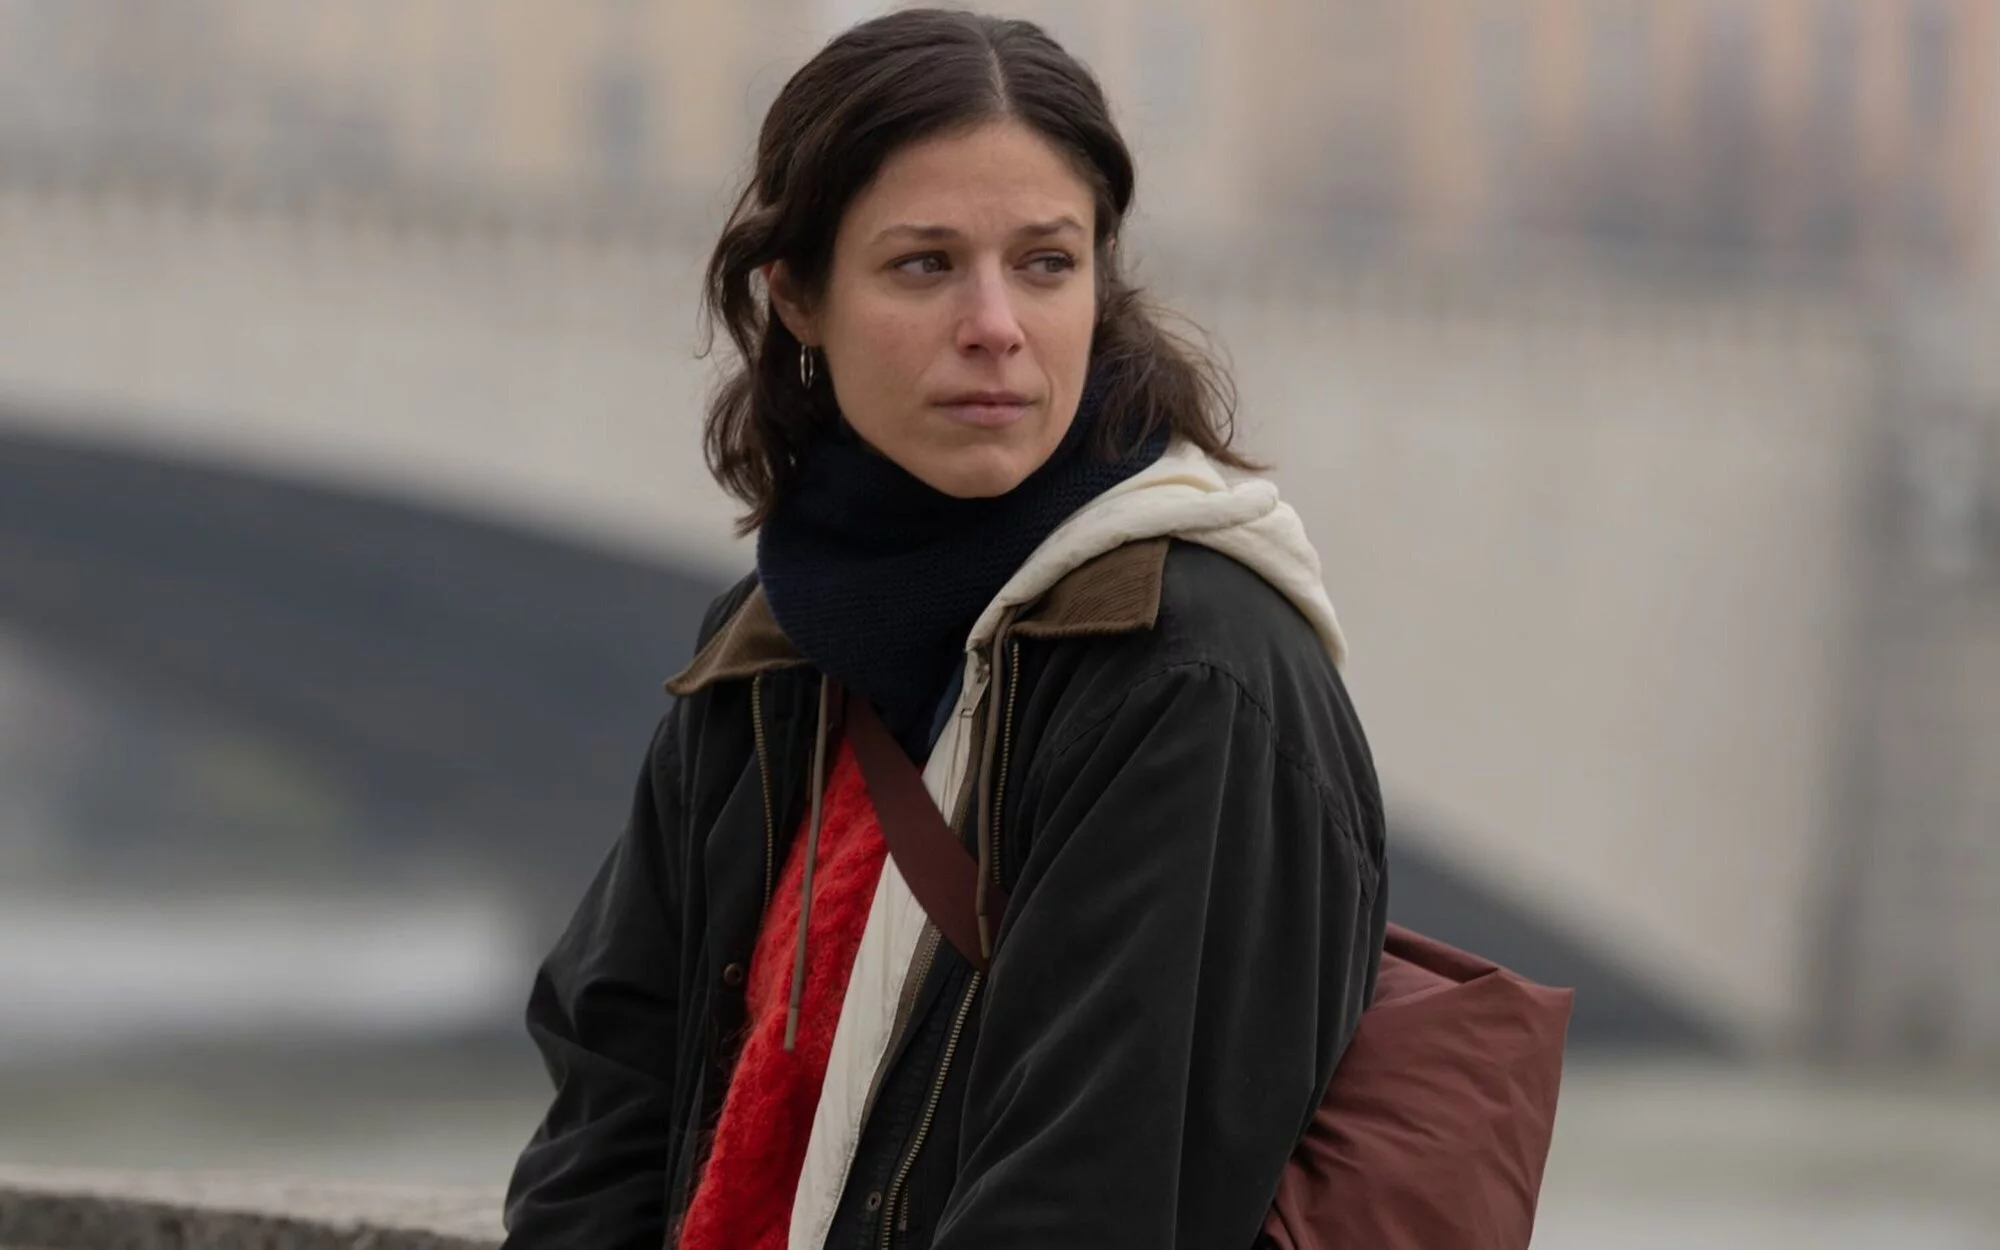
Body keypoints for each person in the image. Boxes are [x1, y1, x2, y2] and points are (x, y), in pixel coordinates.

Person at [501, 10, 1387, 1249]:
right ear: (796, 295)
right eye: (924, 265)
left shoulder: (1189, 670)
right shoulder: (769, 647)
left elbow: (1090, 1199)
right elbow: (611, 1098)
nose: (995, 324)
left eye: (1045, 263)